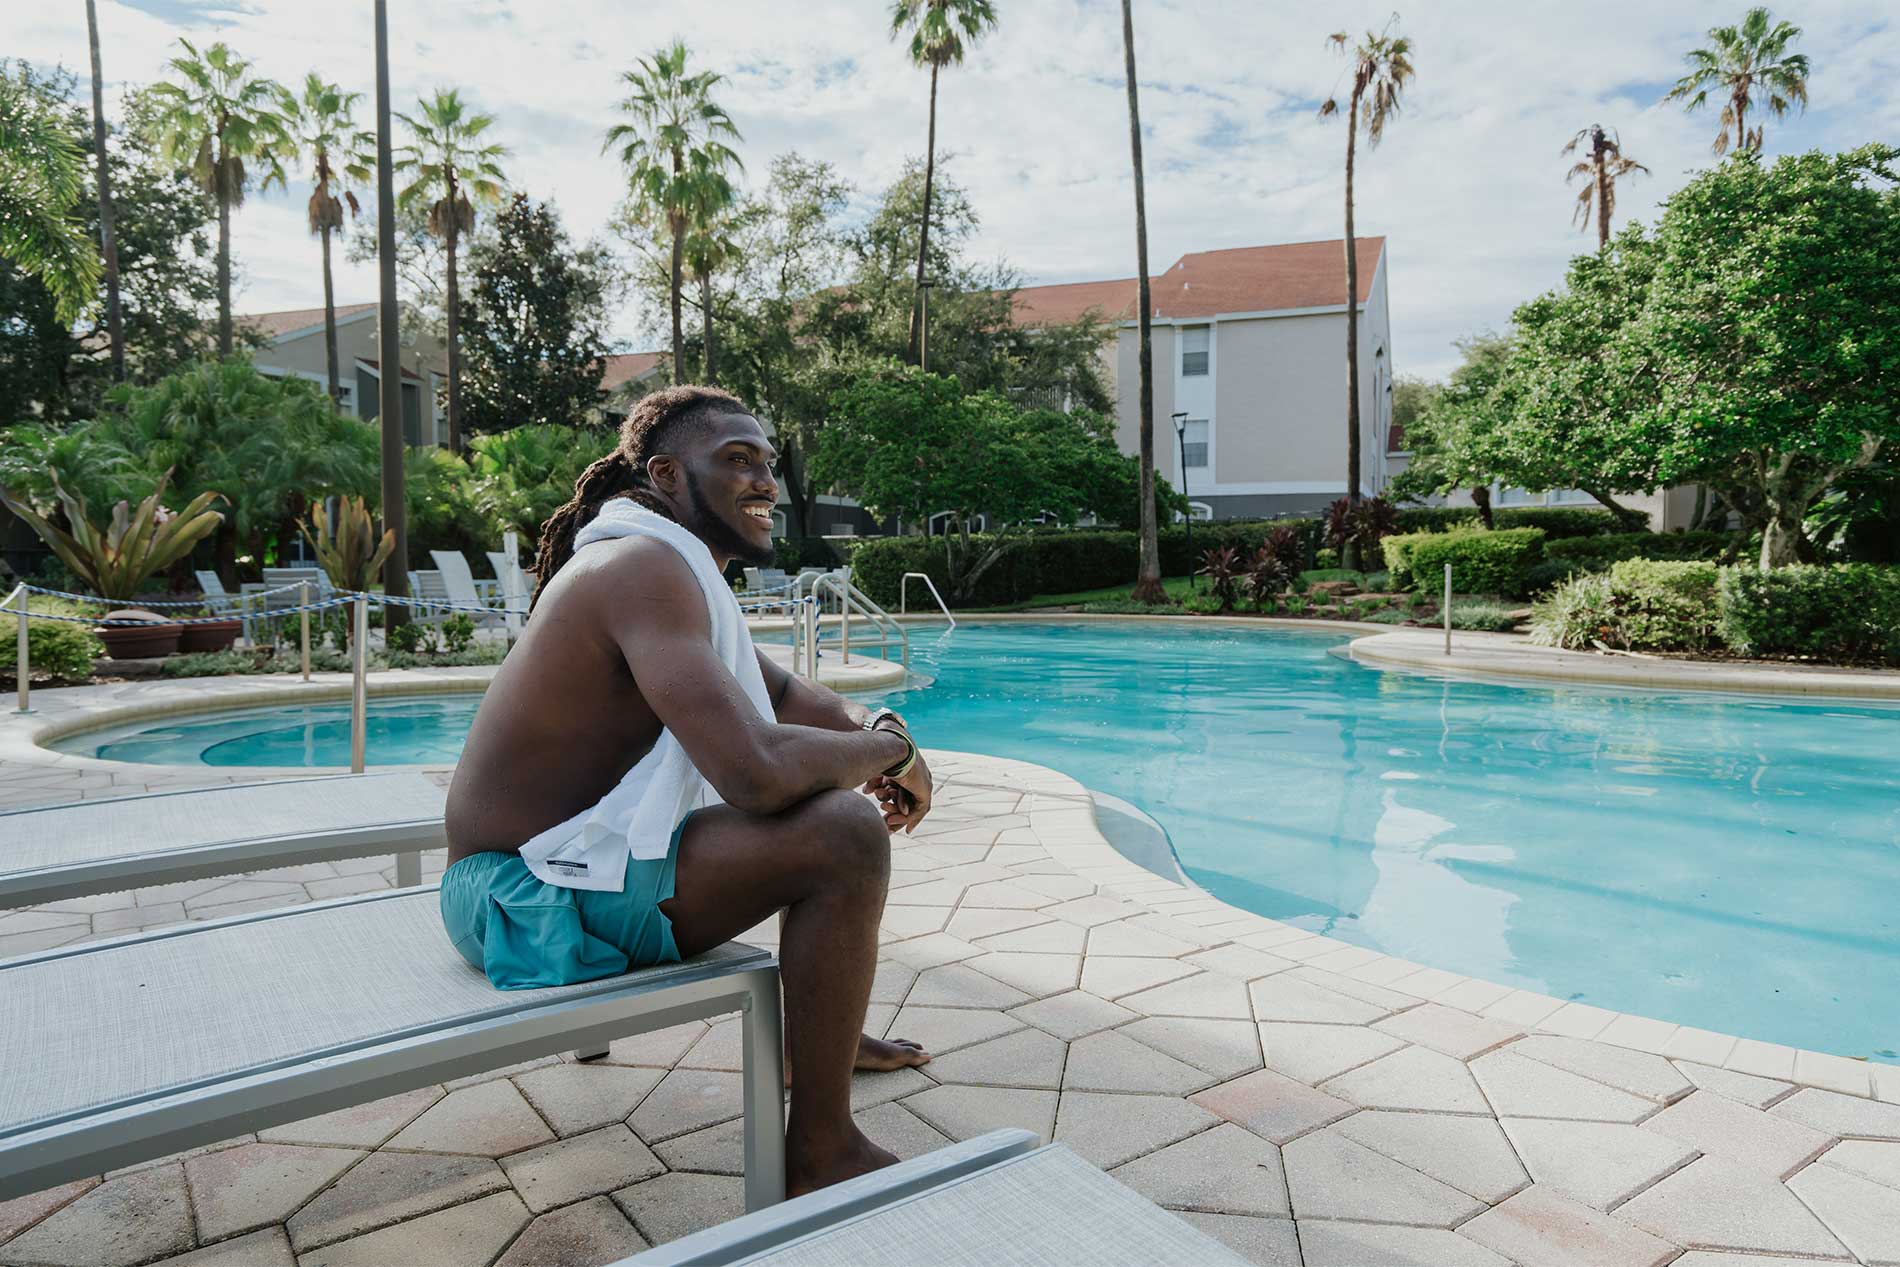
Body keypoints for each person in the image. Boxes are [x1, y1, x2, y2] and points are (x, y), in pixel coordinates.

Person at [442, 385, 931, 1196]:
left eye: (768, 462)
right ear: (667, 475)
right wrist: (887, 751)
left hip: (564, 866)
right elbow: (755, 771)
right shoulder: (641, 567)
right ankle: (822, 1149)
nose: (765, 481)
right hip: (520, 893)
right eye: (737, 460)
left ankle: (823, 1040)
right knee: (841, 833)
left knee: (826, 809)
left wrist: (884, 728)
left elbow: (791, 699)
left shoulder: (670, 564)